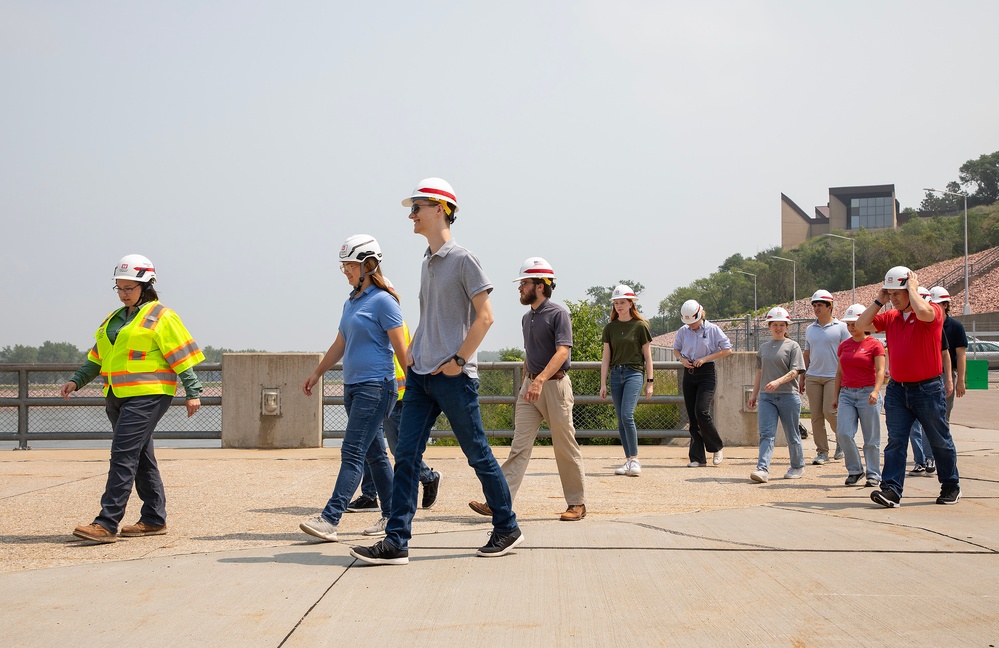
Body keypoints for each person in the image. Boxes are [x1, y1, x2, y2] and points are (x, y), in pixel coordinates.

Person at [351, 177, 523, 565]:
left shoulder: (464, 260)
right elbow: (432, 317)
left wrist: (459, 360)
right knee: (407, 457)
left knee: (477, 453)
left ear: (441, 209)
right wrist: (412, 350)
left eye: (417, 207)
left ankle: (507, 526)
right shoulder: (427, 261)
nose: (411, 215)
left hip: (454, 378)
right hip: (420, 375)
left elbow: (486, 317)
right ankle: (396, 541)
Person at [61, 254, 204, 543]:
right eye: (120, 288)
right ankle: (153, 519)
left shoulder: (162, 316)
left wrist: (193, 392)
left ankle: (106, 523)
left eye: (130, 288)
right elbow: (97, 358)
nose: (124, 293)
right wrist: (76, 380)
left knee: (123, 454)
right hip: (116, 396)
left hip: (149, 395)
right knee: (140, 456)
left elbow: (181, 357)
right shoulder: (113, 320)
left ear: (146, 285)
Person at [299, 235, 408, 542]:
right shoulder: (352, 302)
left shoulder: (385, 301)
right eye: (344, 265)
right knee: (375, 455)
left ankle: (330, 518)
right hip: (354, 388)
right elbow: (341, 342)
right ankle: (391, 516)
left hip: (377, 388)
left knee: (352, 451)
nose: (345, 271)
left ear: (367, 265)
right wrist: (317, 373)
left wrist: (413, 389)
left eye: (349, 265)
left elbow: (402, 348)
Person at [468, 257, 587, 522]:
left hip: (554, 386)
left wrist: (540, 380)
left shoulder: (559, 314)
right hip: (530, 388)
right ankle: (498, 502)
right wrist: (528, 380)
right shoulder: (527, 318)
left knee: (565, 445)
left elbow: (562, 352)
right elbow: (530, 353)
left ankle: (577, 503)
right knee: (519, 447)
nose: (519, 288)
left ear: (541, 286)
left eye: (524, 283)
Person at [855, 266, 961, 507]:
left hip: (928, 389)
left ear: (909, 290)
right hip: (898, 390)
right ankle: (891, 490)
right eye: (890, 294)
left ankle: (950, 484)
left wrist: (912, 288)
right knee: (896, 441)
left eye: (896, 294)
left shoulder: (932, 311)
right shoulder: (891, 317)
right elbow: (861, 325)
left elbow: (923, 312)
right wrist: (878, 300)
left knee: (939, 440)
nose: (893, 299)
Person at [348, 313, 442, 515]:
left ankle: (428, 477)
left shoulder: (393, 322)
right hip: (380, 392)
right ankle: (370, 495)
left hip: (396, 394)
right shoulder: (378, 320)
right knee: (370, 444)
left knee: (399, 448)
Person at [599, 284, 654, 477]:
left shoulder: (640, 326)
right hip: (616, 374)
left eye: (622, 302)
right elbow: (606, 357)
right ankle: (628, 459)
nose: (618, 306)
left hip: (634, 373)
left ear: (631, 304)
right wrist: (603, 382)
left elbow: (647, 356)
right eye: (615, 303)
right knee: (621, 420)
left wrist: (650, 381)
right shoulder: (610, 328)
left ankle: (635, 459)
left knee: (627, 415)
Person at [747, 306, 806, 483]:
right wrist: (754, 394)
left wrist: (778, 382)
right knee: (766, 434)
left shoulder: (793, 346)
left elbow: (796, 371)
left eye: (782, 324)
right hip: (767, 397)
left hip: (788, 395)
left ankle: (797, 466)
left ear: (787, 326)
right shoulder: (764, 348)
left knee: (792, 434)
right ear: (769, 326)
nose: (779, 328)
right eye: (775, 324)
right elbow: (759, 372)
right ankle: (762, 469)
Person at [673, 299, 733, 467]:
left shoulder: (713, 329)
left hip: (706, 373)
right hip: (689, 373)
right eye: (688, 322)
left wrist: (705, 358)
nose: (691, 325)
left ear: (701, 315)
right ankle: (697, 458)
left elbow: (727, 349)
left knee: (702, 411)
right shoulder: (683, 331)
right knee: (692, 416)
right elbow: (676, 349)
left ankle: (716, 447)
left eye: (693, 321)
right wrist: (682, 359)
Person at [832, 304, 885, 487]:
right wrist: (836, 396)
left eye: (855, 323)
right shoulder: (844, 346)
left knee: (871, 438)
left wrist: (876, 391)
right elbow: (839, 373)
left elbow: (880, 371)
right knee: (844, 433)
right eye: (848, 324)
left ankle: (873, 474)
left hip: (867, 393)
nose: (851, 328)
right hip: (847, 394)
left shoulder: (875, 345)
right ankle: (855, 469)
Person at [799, 289, 850, 465]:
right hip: (813, 376)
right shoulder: (810, 329)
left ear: (830, 307)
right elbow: (806, 354)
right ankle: (822, 452)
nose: (816, 308)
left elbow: (848, 352)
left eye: (820, 305)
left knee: (830, 412)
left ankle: (842, 442)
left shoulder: (842, 328)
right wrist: (802, 376)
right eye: (814, 305)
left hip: (833, 377)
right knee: (816, 416)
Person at [930, 285, 967, 421]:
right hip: (927, 374)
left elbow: (961, 355)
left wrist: (961, 381)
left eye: (937, 305)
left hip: (946, 374)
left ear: (945, 305)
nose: (933, 308)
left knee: (943, 413)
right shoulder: (925, 324)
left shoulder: (955, 327)